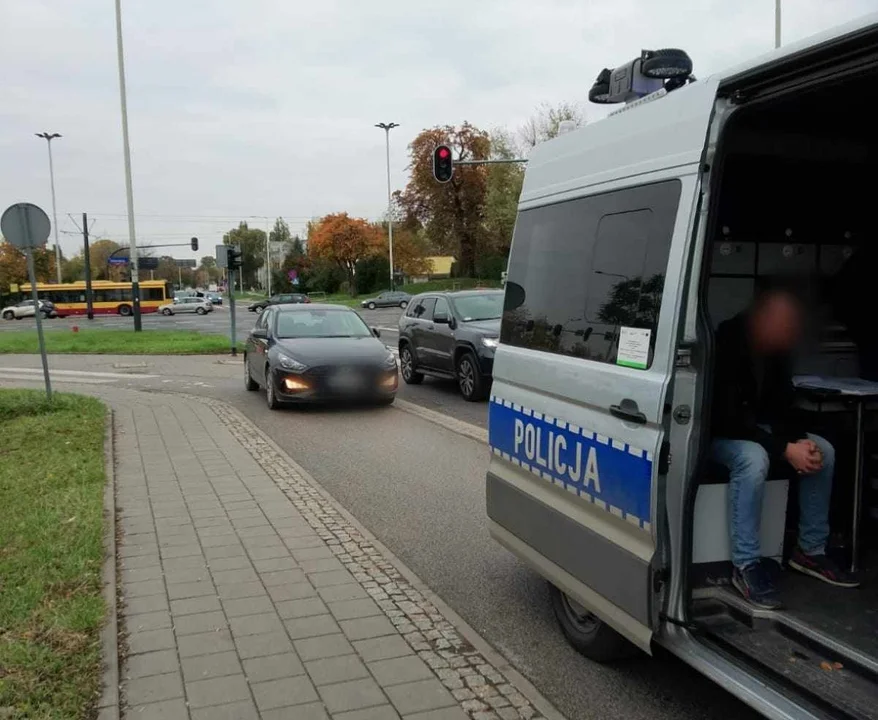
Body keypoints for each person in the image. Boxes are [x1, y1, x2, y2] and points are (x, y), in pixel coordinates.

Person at [711, 285, 859, 610]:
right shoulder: (727, 344)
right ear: (762, 316)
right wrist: (783, 448)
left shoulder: (776, 350)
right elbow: (729, 419)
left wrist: (799, 441)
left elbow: (782, 407)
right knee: (753, 459)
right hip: (717, 435)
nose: (791, 329)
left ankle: (810, 550)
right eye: (785, 320)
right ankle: (746, 564)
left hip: (759, 431)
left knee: (825, 451)